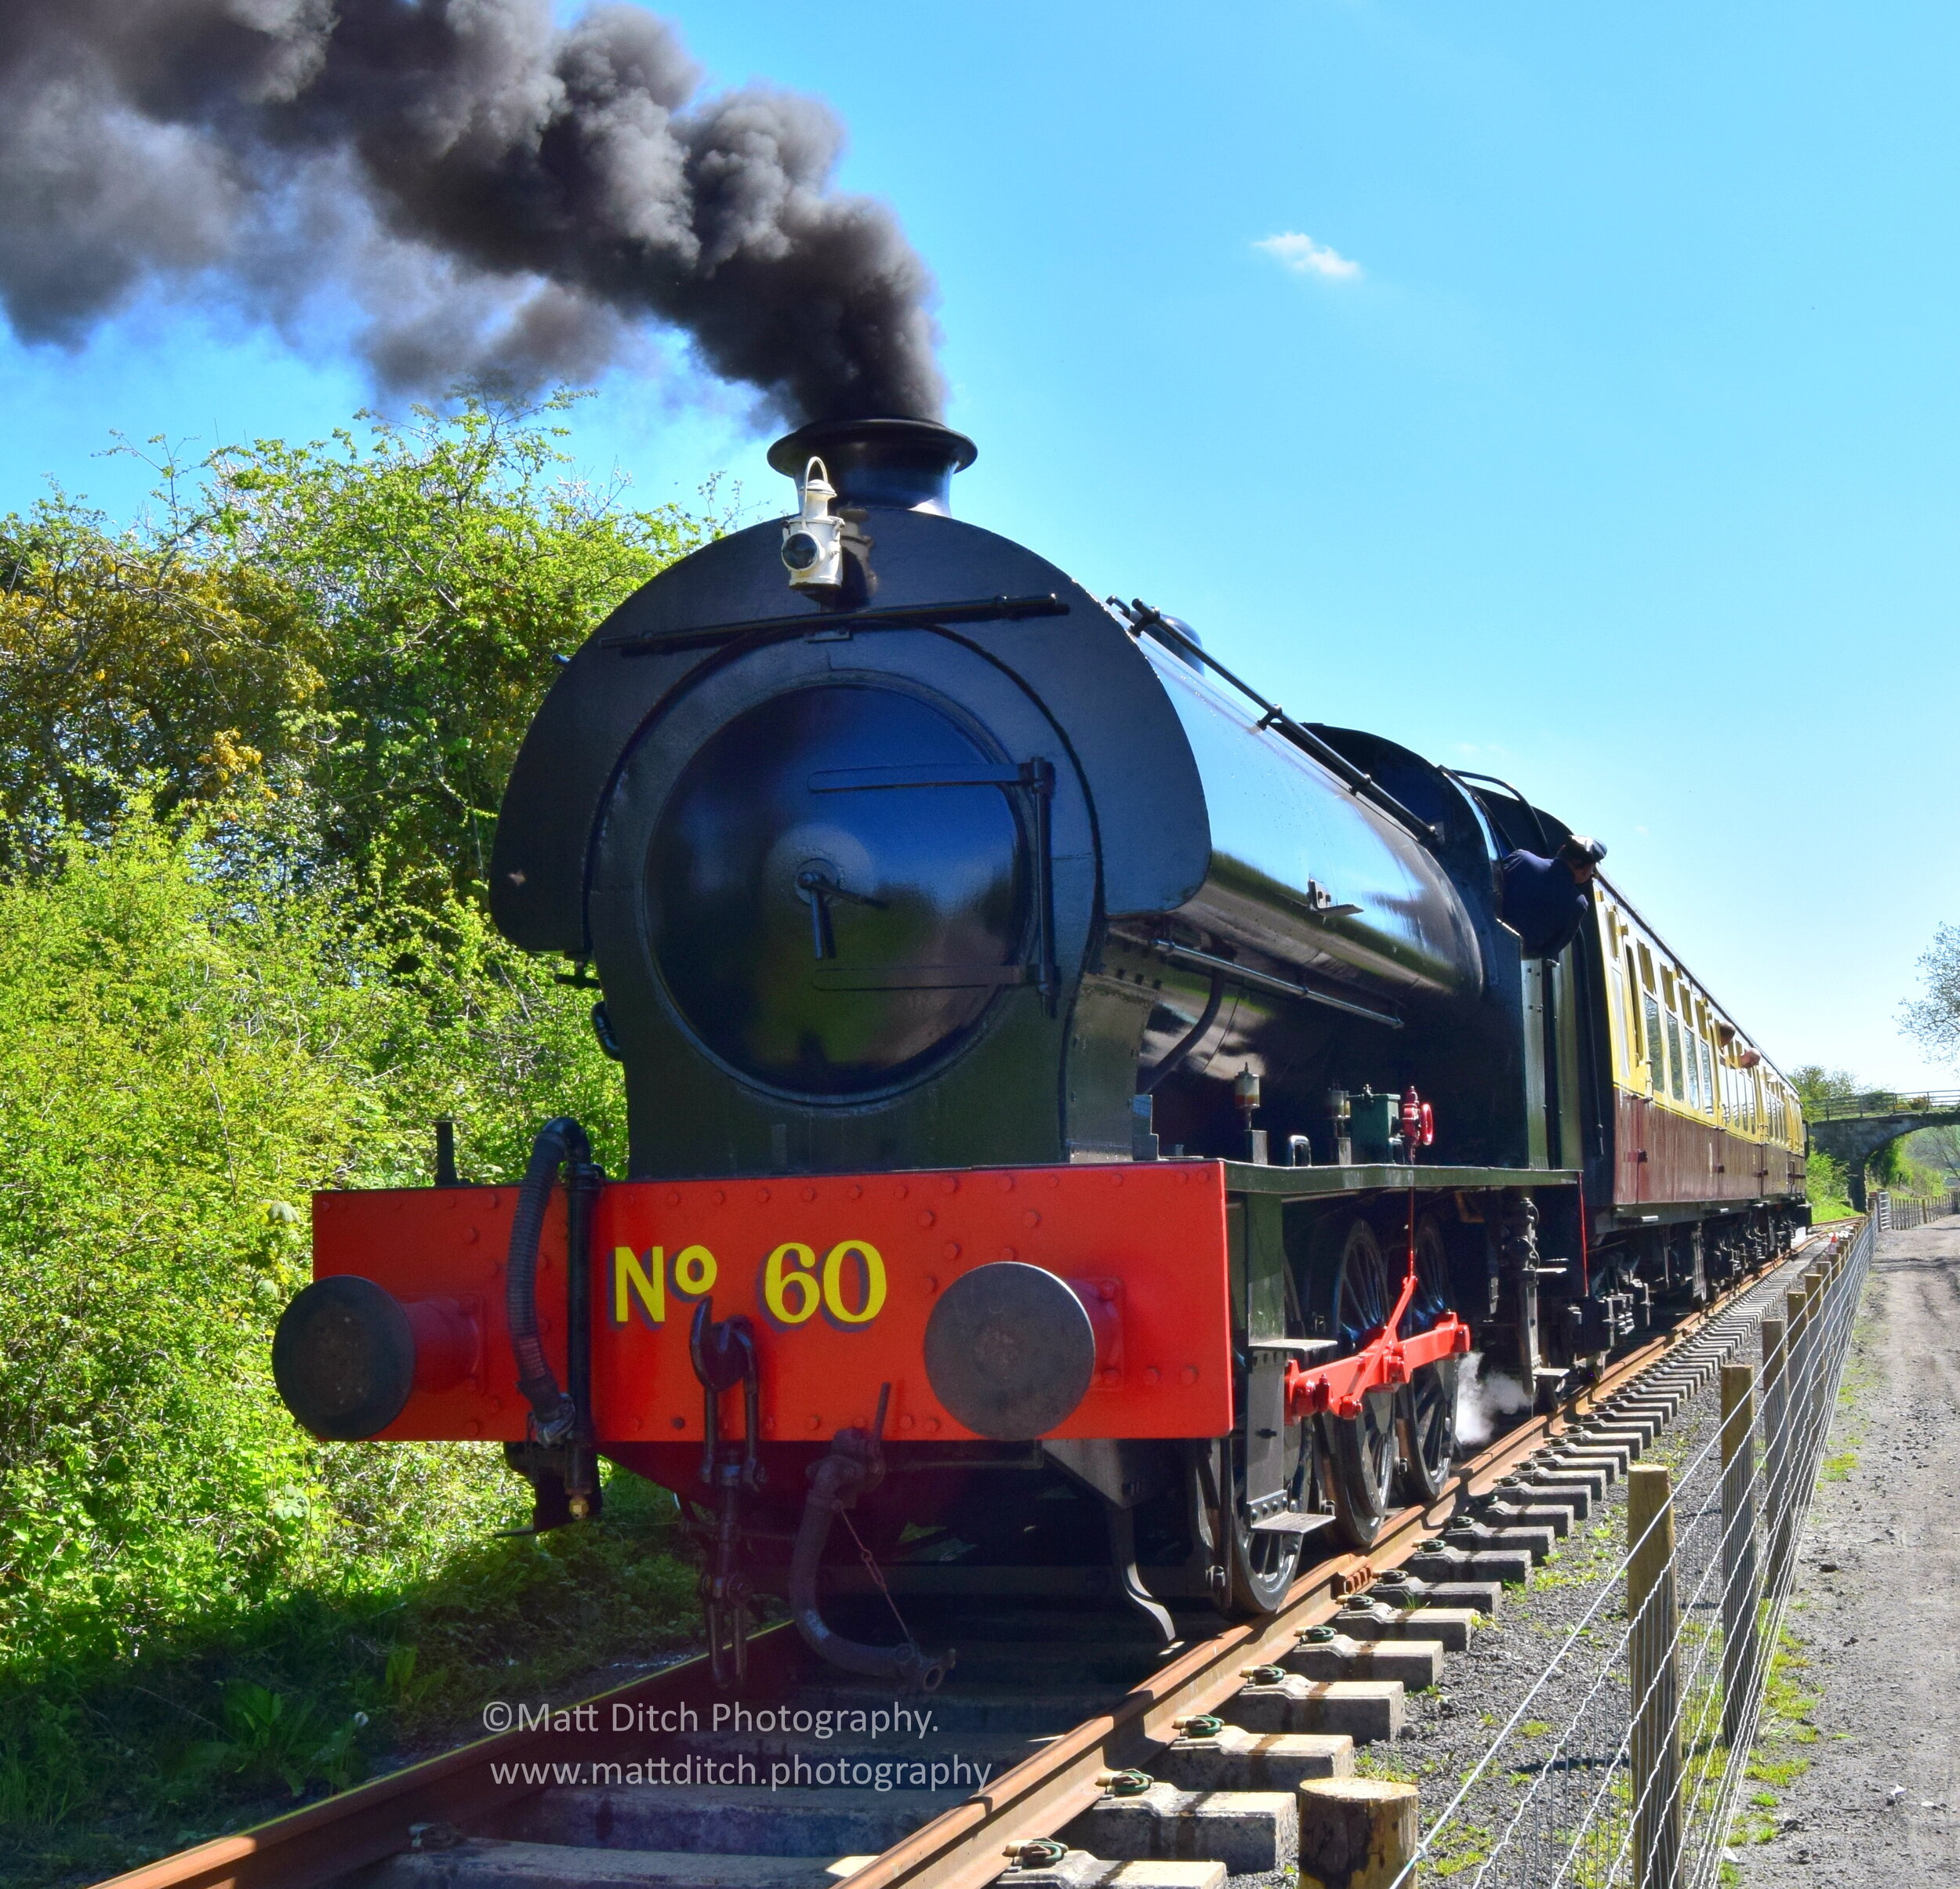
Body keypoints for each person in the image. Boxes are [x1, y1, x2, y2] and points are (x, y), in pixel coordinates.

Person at [1499, 834, 1606, 958]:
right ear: (1586, 869)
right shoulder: (1577, 904)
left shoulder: (1521, 858)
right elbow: (1551, 950)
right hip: (1510, 958)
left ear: (1561, 849)